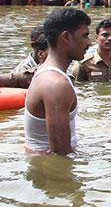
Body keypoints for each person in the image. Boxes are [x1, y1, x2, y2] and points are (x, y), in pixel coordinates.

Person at [24, 8, 91, 155]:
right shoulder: (56, 84)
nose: (89, 43)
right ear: (66, 37)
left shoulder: (48, 74)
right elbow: (60, 154)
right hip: (48, 173)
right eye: (85, 36)